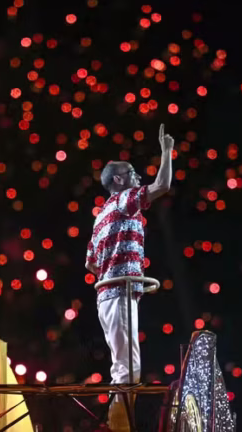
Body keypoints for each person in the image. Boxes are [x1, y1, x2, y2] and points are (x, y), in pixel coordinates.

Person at [85, 124, 174, 431]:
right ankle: (117, 426)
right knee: (128, 369)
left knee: (124, 367)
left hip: (109, 295)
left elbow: (91, 265)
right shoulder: (124, 201)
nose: (138, 177)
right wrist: (166, 151)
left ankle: (117, 422)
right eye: (133, 172)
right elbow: (162, 185)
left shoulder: (100, 216)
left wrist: (118, 269)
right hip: (118, 294)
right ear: (120, 180)